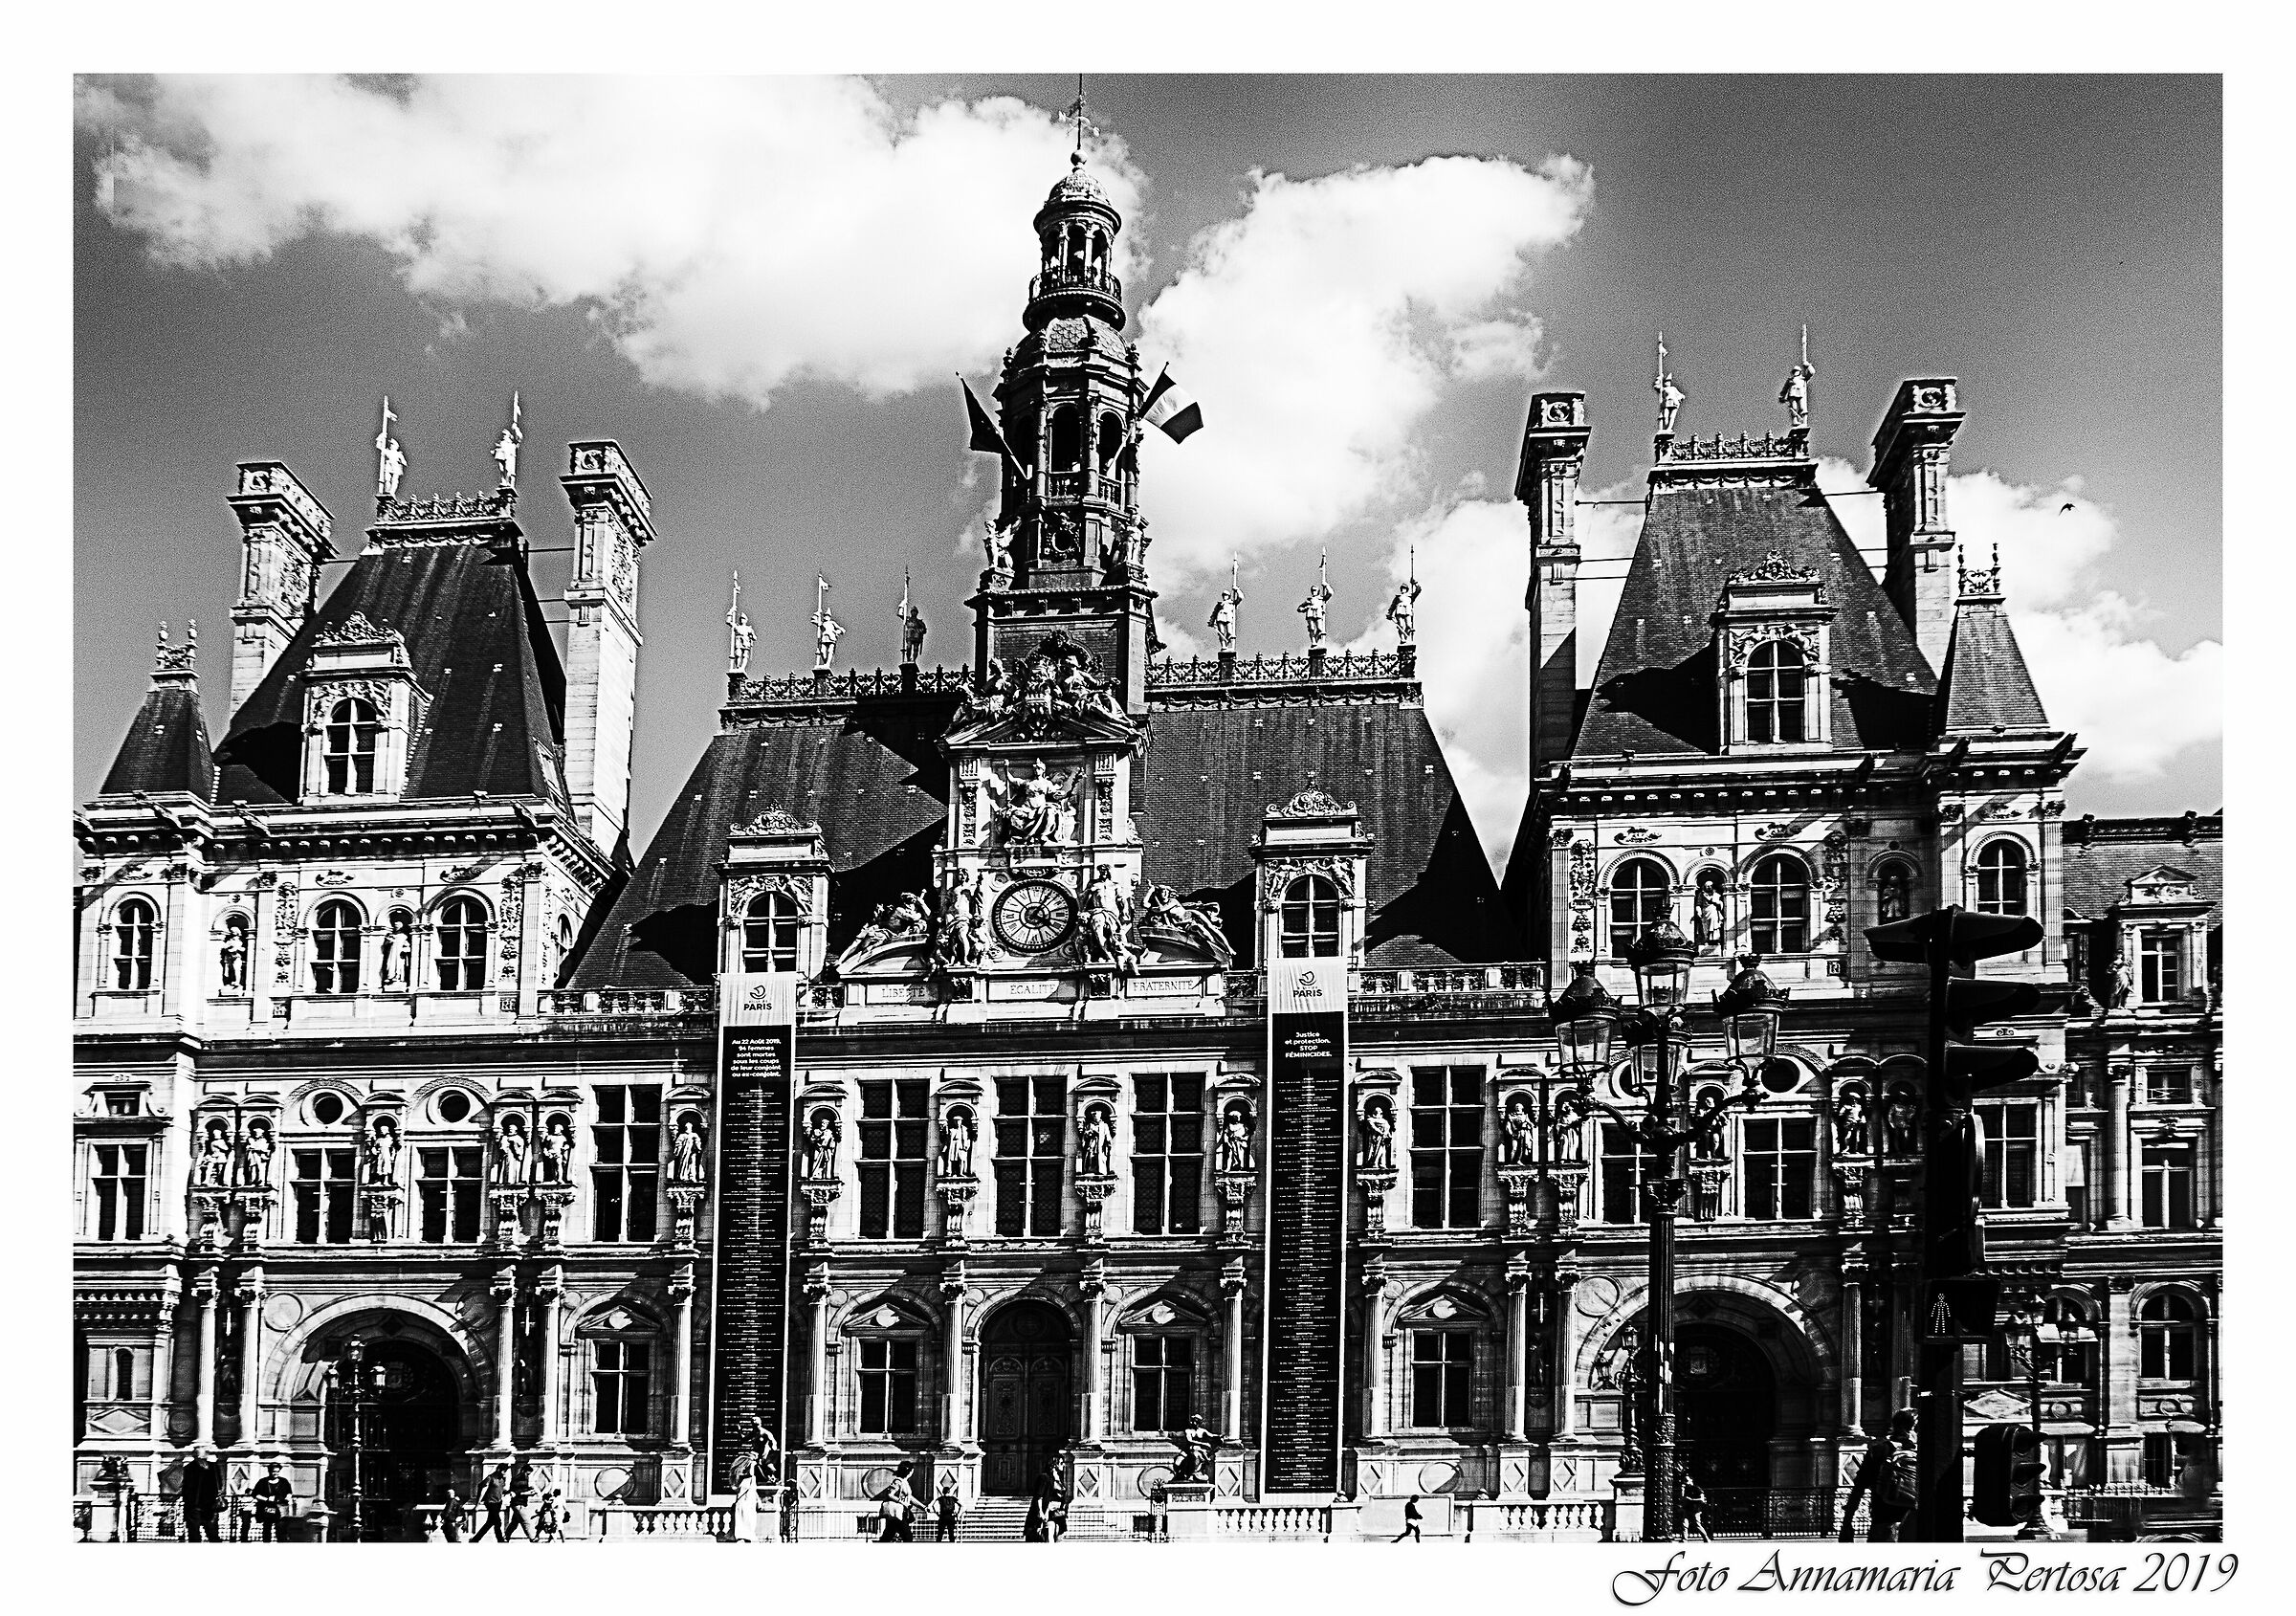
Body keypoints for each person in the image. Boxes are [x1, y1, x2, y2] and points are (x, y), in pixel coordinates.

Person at [1842, 1408, 1919, 1542]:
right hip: (1914, 1522)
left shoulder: (1878, 1450)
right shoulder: (1922, 1453)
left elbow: (1858, 1488)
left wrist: (1847, 1522)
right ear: (1914, 1428)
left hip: (1882, 1520)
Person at [179, 1444, 223, 1542]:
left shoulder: (191, 1468)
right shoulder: (212, 1467)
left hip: (203, 1506)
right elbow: (219, 1485)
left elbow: (186, 1487)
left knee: (207, 1534)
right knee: (205, 1534)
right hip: (200, 1506)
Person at [250, 1460, 293, 1542]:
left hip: (280, 1508)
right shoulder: (262, 1482)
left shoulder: (284, 1481)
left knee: (281, 1528)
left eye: (277, 1471)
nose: (276, 1473)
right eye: (274, 1471)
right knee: (267, 1527)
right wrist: (266, 1499)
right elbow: (256, 1494)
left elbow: (289, 1493)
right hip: (267, 1508)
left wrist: (286, 1499)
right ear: (269, 1471)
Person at [471, 1463, 509, 1542]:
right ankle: (500, 1540)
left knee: (490, 1522)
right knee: (498, 1522)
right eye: (504, 1471)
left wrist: (509, 1491)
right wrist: (477, 1504)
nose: (504, 1473)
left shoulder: (502, 1479)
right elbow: (483, 1491)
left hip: (498, 1503)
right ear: (499, 1470)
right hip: (490, 1502)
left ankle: (475, 1539)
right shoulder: (490, 1478)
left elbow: (501, 1490)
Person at [1678, 1468, 1714, 1542]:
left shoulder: (1697, 1488)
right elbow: (1682, 1498)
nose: (1685, 1482)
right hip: (1687, 1509)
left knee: (1697, 1525)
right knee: (1684, 1524)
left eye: (1687, 1480)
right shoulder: (1686, 1489)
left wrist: (1691, 1500)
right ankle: (1684, 1539)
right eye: (1684, 1481)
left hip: (1695, 1510)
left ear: (1691, 1480)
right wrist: (1682, 1490)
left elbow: (1702, 1499)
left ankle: (1706, 1538)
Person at [504, 1461, 537, 1540]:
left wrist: (530, 1490)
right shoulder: (517, 1480)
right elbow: (514, 1492)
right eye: (527, 1474)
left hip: (520, 1503)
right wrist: (527, 1493)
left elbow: (520, 1490)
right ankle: (532, 1538)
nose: (528, 1476)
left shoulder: (523, 1479)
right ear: (523, 1471)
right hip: (518, 1503)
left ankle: (506, 1537)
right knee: (526, 1521)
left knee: (514, 1523)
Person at [227, 1467, 254, 1541]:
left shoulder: (243, 1498)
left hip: (245, 1511)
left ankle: (243, 1537)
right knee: (245, 1525)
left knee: (245, 1525)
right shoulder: (248, 1498)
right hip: (246, 1512)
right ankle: (244, 1538)